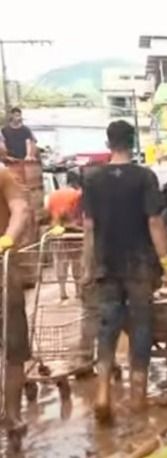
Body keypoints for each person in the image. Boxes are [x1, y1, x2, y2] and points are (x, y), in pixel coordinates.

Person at [81, 120, 167, 421]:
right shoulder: (144, 177)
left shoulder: (92, 179)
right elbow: (154, 222)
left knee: (108, 325)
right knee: (141, 326)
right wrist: (166, 265)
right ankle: (137, 397)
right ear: (133, 143)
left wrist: (87, 267)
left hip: (106, 264)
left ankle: (102, 392)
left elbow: (88, 228)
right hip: (140, 265)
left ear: (108, 144)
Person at [0, 164, 33, 441]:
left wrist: (7, 240)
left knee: (14, 344)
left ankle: (11, 413)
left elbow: (20, 209)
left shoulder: (2, 174)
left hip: (2, 267)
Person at [46, 171, 84, 300]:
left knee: (60, 261)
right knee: (77, 262)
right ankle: (78, 290)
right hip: (74, 232)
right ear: (76, 183)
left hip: (57, 232)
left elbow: (48, 212)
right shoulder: (77, 194)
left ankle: (62, 291)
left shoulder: (53, 195)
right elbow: (78, 214)